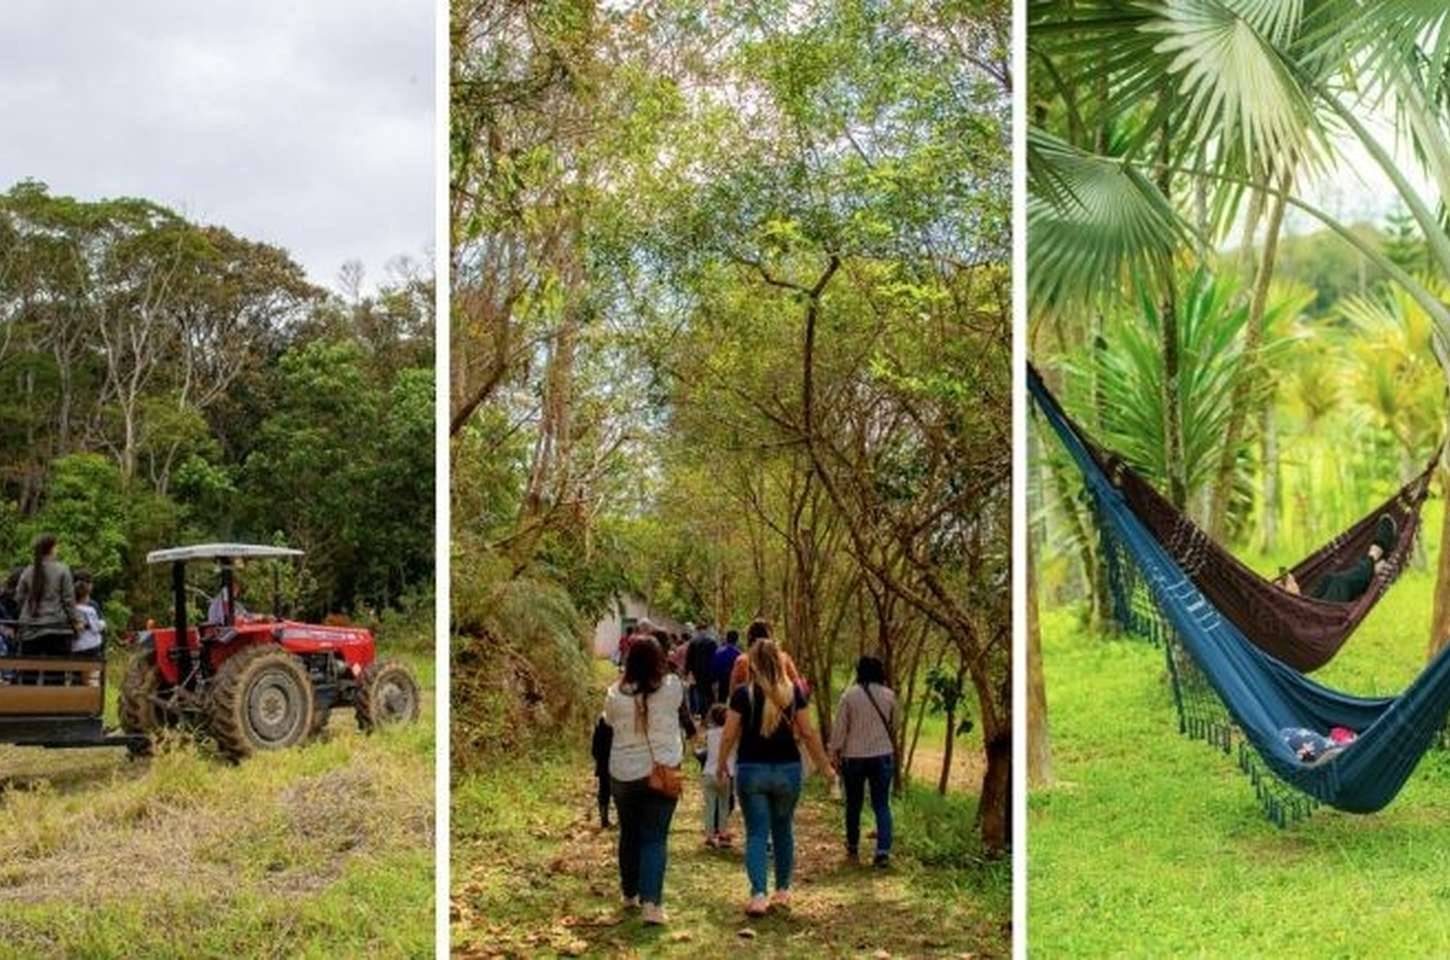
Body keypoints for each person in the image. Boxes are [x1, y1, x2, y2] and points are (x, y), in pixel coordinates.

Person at [716, 638, 834, 916]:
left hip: (751, 770)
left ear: (752, 664)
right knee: (783, 830)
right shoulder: (794, 694)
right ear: (780, 662)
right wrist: (826, 767)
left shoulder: (743, 695)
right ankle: (782, 890)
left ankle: (758, 895)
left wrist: (721, 763)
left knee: (757, 832)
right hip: (787, 771)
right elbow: (808, 733)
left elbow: (730, 733)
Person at [602, 635, 690, 926]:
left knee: (629, 832)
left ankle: (630, 893)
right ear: (659, 659)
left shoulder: (614, 693)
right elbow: (678, 708)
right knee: (655, 836)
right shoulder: (672, 688)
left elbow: (610, 723)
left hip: (624, 773)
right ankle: (652, 905)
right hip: (663, 769)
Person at [830, 656, 897, 867]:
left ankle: (852, 846)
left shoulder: (849, 696)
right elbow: (895, 724)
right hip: (882, 755)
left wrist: (834, 752)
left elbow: (840, 729)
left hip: (854, 757)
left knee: (854, 804)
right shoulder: (889, 696)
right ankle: (883, 851)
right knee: (881, 804)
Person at [1277, 514, 1397, 602]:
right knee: (1340, 582)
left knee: (1329, 579)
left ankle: (1372, 566)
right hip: (1309, 626)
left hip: (1301, 615)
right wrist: (1291, 598)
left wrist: (1282, 597)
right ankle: (1374, 555)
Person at [15, 534, 80, 660]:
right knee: (56, 675)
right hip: (57, 628)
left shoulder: (28, 570)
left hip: (30, 628)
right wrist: (76, 622)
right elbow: (68, 600)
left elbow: (19, 597)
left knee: (29, 674)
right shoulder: (62, 570)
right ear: (51, 549)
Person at [728, 619, 804, 694]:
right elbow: (797, 688)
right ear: (770, 637)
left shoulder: (743, 661)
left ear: (750, 638)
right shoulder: (783, 659)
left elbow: (734, 691)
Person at [701, 703, 736, 848]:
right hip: (726, 772)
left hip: (709, 772)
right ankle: (723, 833)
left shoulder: (709, 734)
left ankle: (709, 835)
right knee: (724, 805)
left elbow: (704, 750)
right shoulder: (731, 734)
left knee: (710, 806)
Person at [686, 624, 719, 717]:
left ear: (697, 630)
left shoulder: (693, 642)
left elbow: (689, 659)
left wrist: (688, 671)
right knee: (708, 693)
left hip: (696, 672)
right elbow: (715, 659)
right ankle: (709, 714)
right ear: (706, 629)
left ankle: (700, 713)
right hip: (709, 673)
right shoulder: (712, 642)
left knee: (698, 692)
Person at [591, 712, 615, 829]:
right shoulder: (624, 720)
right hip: (620, 762)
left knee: (604, 790)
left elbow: (595, 748)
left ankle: (604, 819)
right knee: (622, 792)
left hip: (604, 763)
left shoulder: (601, 720)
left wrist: (599, 760)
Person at [712, 629, 743, 704]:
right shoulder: (738, 654)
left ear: (726, 638)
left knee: (721, 702)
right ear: (737, 639)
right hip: (734, 683)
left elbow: (713, 667)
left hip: (720, 682)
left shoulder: (718, 652)